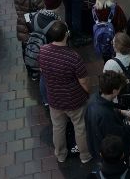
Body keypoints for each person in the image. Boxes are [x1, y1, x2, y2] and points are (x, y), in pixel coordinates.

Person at [38, 20, 92, 165]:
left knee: (58, 127)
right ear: (66, 35)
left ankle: (60, 155)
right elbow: (84, 82)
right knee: (80, 127)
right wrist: (88, 92)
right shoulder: (73, 57)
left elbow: (43, 71)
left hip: (55, 100)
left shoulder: (43, 51)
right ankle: (85, 155)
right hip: (74, 101)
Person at [85, 71, 130, 160]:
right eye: (119, 89)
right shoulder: (105, 116)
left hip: (94, 144)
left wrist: (121, 112)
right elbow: (117, 136)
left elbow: (107, 108)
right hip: (109, 155)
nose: (120, 91)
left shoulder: (94, 98)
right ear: (114, 91)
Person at [14, 0, 45, 79]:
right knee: (36, 46)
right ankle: (36, 70)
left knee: (25, 47)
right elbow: (43, 8)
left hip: (21, 24)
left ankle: (29, 70)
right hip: (32, 25)